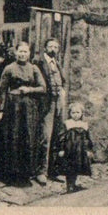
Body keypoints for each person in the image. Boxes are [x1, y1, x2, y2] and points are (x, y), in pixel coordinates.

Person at [0, 42, 47, 186]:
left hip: (29, 108)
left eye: (25, 52)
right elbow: (2, 89)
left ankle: (26, 174)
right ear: (15, 53)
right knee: (13, 137)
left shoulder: (34, 68)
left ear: (29, 53)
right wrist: (1, 110)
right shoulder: (9, 68)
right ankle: (11, 175)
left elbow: (43, 88)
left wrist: (29, 90)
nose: (22, 54)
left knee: (28, 137)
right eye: (20, 51)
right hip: (13, 107)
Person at [35, 37, 66, 184]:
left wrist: (62, 93)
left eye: (55, 47)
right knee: (45, 137)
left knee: (57, 136)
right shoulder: (39, 63)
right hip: (46, 104)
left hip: (58, 103)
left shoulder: (57, 64)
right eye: (50, 46)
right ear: (45, 48)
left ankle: (54, 171)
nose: (53, 49)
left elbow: (62, 81)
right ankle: (41, 171)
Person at [51, 102, 93, 193]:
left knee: (77, 166)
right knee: (69, 167)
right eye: (73, 113)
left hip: (80, 150)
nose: (75, 115)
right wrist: (61, 148)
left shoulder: (84, 125)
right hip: (69, 149)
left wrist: (88, 150)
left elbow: (87, 139)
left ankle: (73, 184)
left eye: (78, 112)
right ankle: (69, 186)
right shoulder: (67, 124)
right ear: (70, 114)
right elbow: (61, 137)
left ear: (82, 113)